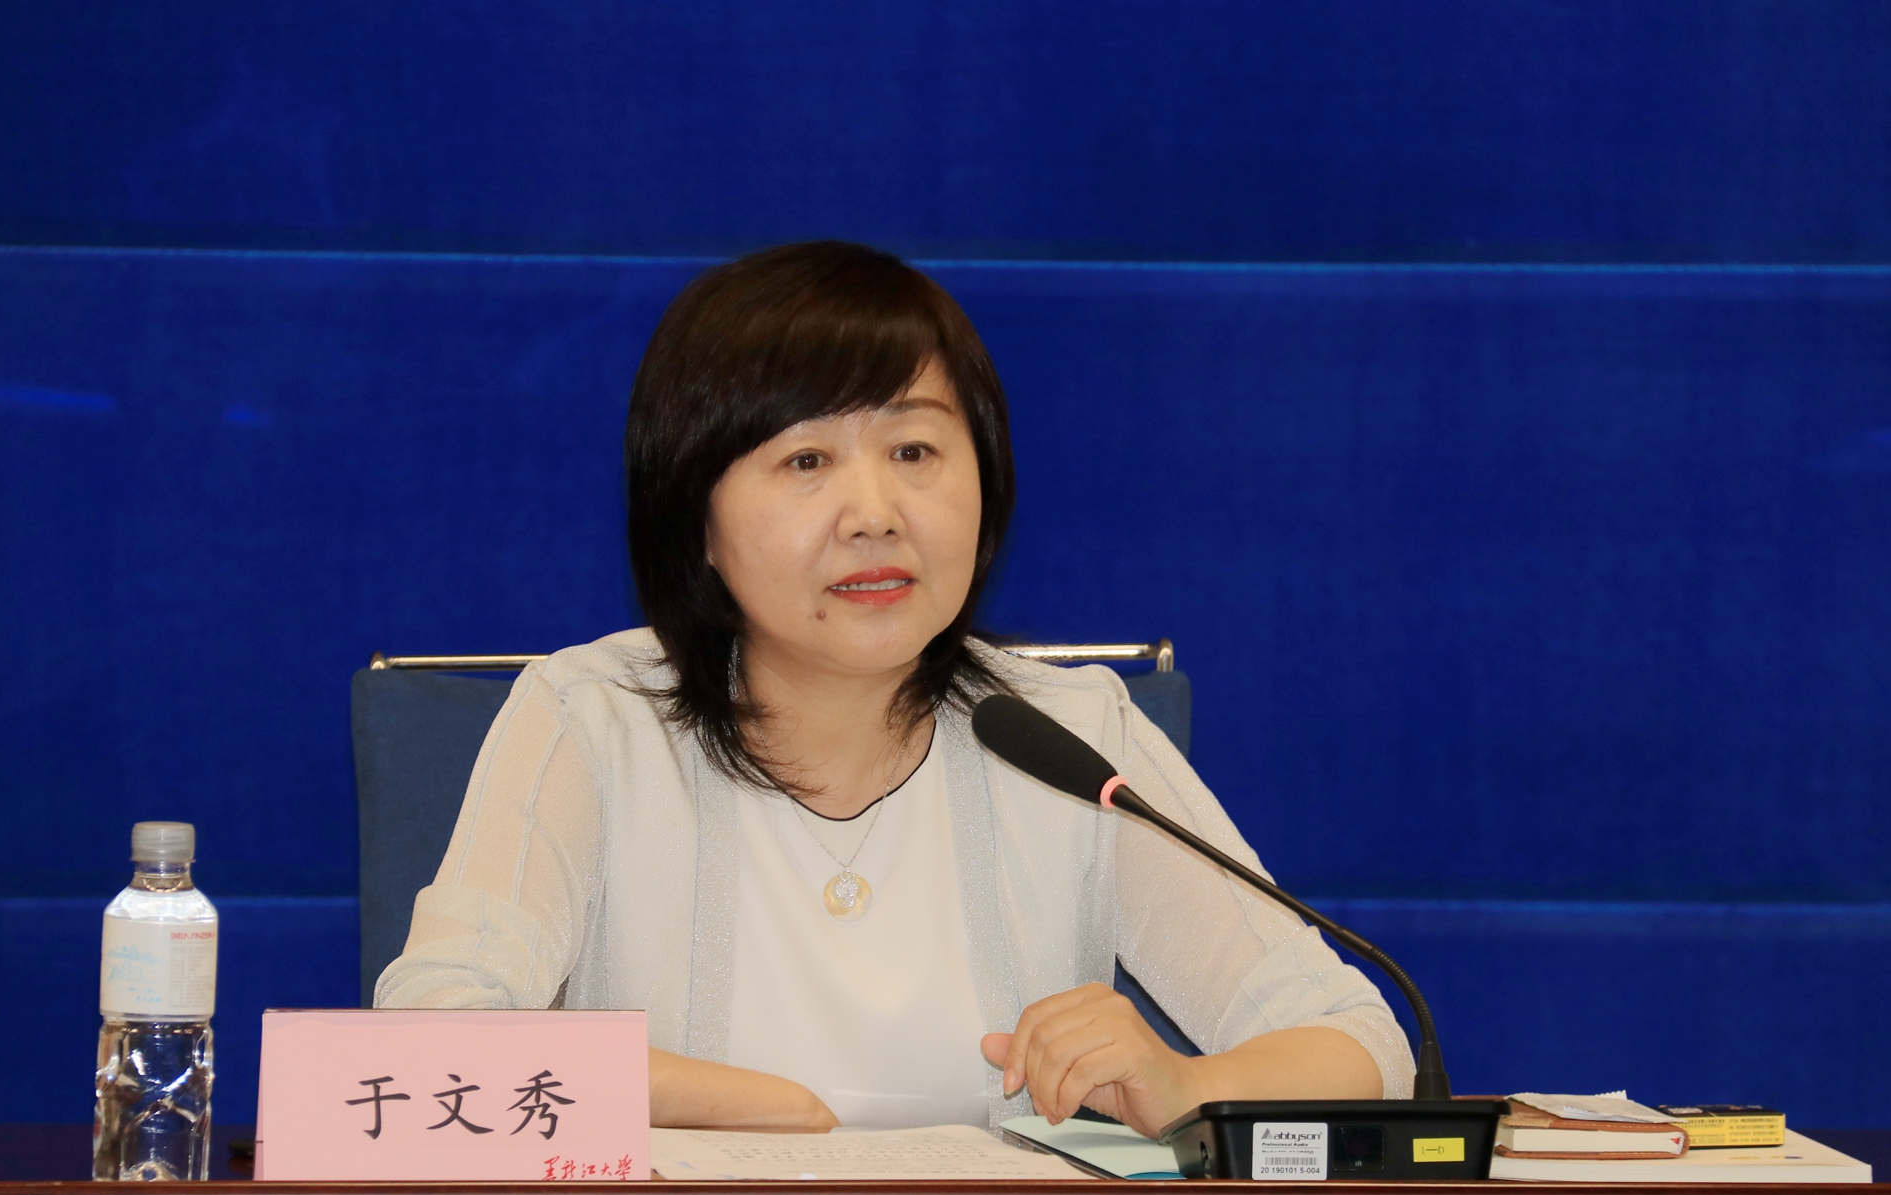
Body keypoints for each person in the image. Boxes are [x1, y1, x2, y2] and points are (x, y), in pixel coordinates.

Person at [376, 240, 1414, 1136]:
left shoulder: (1070, 737)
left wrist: (1186, 1085)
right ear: (698, 522)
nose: (873, 512)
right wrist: (778, 1112)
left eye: (914, 449)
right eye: (805, 460)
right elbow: (427, 1044)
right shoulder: (592, 720)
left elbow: (1360, 1045)